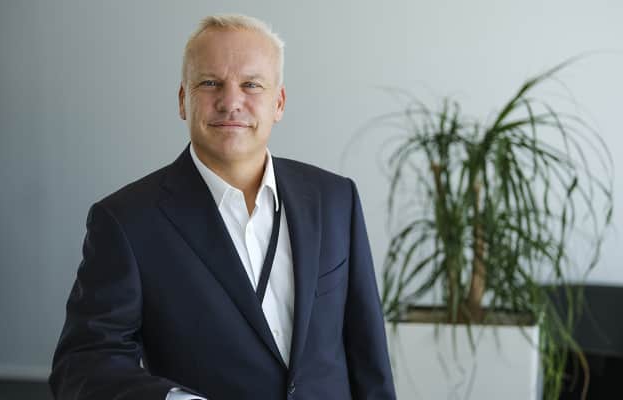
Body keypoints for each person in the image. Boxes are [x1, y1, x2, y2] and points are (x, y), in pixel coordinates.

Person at [49, 14, 396, 400]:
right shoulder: (126, 221)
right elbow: (83, 364)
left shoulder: (335, 199)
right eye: (210, 83)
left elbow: (369, 358)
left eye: (251, 85)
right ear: (183, 100)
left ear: (279, 103)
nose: (231, 102)